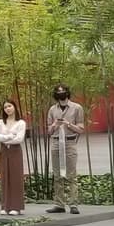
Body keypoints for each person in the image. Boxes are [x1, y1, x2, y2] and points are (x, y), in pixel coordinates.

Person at [45, 84, 84, 214]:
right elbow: (49, 131)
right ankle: (59, 204)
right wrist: (55, 125)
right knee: (57, 175)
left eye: (63, 91)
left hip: (69, 142)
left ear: (67, 93)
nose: (61, 93)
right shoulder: (52, 109)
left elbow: (81, 129)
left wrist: (68, 124)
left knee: (72, 175)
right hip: (56, 143)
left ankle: (73, 204)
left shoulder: (77, 108)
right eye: (58, 92)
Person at [0, 99, 27, 215]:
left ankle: (16, 207)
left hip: (15, 151)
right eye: (5, 107)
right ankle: (5, 206)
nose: (7, 109)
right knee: (5, 177)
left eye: (10, 106)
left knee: (16, 177)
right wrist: (10, 136)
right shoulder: (0, 122)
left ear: (14, 107)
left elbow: (19, 139)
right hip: (4, 151)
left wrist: (4, 138)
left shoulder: (21, 123)